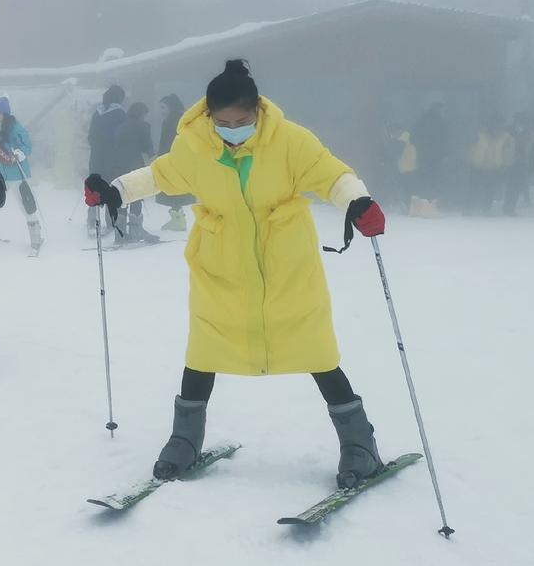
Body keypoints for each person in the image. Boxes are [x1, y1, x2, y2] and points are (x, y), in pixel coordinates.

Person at [84, 59, 390, 488]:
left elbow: (333, 175)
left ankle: (360, 445)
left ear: (257, 111)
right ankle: (184, 440)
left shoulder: (290, 141)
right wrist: (114, 189)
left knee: (316, 350)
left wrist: (357, 202)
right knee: (204, 350)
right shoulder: (195, 146)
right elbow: (160, 175)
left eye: (241, 120)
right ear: (209, 115)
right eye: (222, 121)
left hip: (285, 266)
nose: (231, 128)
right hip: (221, 266)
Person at [0, 96, 44, 255]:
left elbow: (27, 146)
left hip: (18, 174)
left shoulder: (16, 128)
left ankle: (36, 238)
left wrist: (19, 153)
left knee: (26, 205)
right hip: (0, 173)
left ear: (6, 115)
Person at [112, 102, 160, 244]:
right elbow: (148, 148)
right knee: (136, 195)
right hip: (134, 165)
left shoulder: (121, 126)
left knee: (122, 196)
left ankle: (119, 234)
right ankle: (135, 231)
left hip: (118, 165)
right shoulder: (143, 126)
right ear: (142, 114)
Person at [85, 85, 127, 236]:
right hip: (113, 157)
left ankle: (92, 221)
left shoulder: (97, 113)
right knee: (111, 187)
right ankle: (111, 222)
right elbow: (123, 136)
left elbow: (90, 136)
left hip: (96, 156)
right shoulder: (121, 114)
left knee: (94, 186)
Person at [155, 93, 194, 231]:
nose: (161, 110)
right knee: (175, 187)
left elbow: (168, 142)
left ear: (171, 107)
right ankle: (177, 217)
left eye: (163, 107)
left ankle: (178, 219)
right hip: (178, 159)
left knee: (172, 187)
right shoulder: (179, 118)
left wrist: (161, 156)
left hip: (172, 159)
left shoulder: (173, 120)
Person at [410, 102, 450, 211]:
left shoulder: (423, 120)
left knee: (424, 179)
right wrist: (444, 153)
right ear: (439, 109)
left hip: (424, 155)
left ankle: (423, 203)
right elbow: (445, 140)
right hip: (435, 156)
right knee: (434, 179)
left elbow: (413, 137)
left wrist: (421, 147)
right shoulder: (440, 123)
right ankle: (432, 204)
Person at [464, 117, 508, 216]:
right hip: (478, 166)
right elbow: (470, 147)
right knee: (473, 189)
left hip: (494, 167)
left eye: (500, 126)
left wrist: (503, 164)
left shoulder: (504, 137)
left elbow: (505, 152)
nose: (498, 128)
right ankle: (468, 209)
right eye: (496, 125)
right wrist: (469, 160)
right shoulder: (479, 135)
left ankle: (486, 209)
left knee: (490, 190)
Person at [503, 113, 534, 216]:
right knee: (511, 186)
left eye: (523, 122)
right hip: (509, 163)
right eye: (519, 121)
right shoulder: (508, 132)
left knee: (516, 186)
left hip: (522, 163)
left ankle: (510, 208)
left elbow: (531, 150)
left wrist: (531, 164)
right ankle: (507, 207)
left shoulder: (528, 134)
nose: (521, 124)